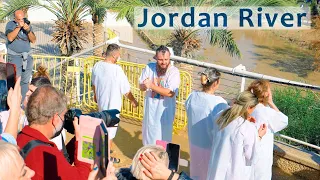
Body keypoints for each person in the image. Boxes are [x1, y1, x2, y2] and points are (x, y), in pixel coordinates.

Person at [17, 85, 91, 179]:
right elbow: (81, 177)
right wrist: (83, 143)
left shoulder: (20, 138)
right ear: (55, 119)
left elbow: (62, 162)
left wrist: (75, 141)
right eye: (63, 116)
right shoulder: (45, 153)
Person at [0, 66, 67, 151]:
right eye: (28, 90)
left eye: (32, 91)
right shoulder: (20, 114)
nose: (27, 94)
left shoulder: (52, 128)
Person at [207, 91, 267, 180]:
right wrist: (259, 136)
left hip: (215, 168)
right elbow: (251, 156)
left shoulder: (221, 115)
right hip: (232, 173)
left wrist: (246, 119)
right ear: (249, 108)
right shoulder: (247, 128)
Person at [185, 68, 229, 180]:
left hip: (194, 140)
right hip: (210, 144)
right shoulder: (219, 102)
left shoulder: (192, 96)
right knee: (207, 174)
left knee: (195, 171)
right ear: (216, 82)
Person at [92, 43, 138, 145]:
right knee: (110, 135)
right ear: (114, 56)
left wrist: (95, 96)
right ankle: (105, 158)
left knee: (102, 130)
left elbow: (93, 84)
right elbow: (126, 90)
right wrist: (133, 100)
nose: (119, 57)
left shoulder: (97, 66)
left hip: (101, 105)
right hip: (113, 108)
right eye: (119, 55)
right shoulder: (117, 70)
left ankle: (101, 155)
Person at [139, 45, 180, 145]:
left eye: (166, 59)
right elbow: (141, 87)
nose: (164, 62)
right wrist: (145, 85)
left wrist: (151, 86)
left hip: (164, 116)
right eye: (160, 60)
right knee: (148, 138)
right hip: (150, 113)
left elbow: (170, 93)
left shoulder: (174, 72)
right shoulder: (149, 67)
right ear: (155, 58)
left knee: (163, 140)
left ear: (169, 57)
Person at [247, 80, 288, 180]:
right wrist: (271, 102)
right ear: (266, 94)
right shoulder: (267, 112)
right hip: (262, 153)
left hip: (247, 149)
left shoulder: (247, 107)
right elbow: (284, 121)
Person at [5, 10, 36, 101]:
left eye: (22, 18)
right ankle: (12, 104)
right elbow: (10, 38)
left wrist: (28, 30)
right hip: (14, 57)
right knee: (14, 82)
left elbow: (33, 40)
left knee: (25, 82)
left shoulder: (28, 25)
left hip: (27, 58)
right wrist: (18, 27)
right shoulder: (10, 24)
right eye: (19, 19)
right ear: (15, 19)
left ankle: (22, 104)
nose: (21, 21)